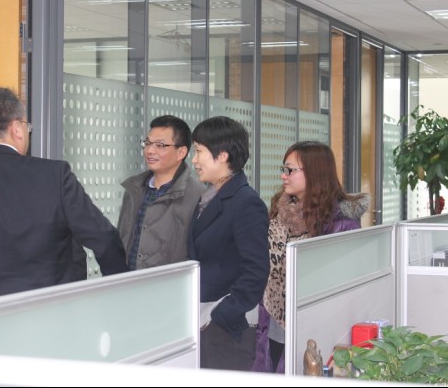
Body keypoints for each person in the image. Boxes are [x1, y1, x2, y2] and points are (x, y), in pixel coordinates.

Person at [0, 86, 128, 309]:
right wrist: (120, 297)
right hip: (49, 317)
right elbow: (104, 238)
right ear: (16, 128)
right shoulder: (55, 176)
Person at [252, 140, 370, 373]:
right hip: (273, 324)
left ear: (315, 173)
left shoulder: (342, 224)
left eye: (290, 170)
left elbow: (343, 289)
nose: (283, 176)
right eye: (283, 169)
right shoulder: (279, 211)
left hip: (314, 328)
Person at [187, 116, 269, 371]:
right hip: (205, 320)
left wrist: (223, 313)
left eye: (199, 151)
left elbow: (256, 269)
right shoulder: (210, 197)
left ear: (222, 155)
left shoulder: (245, 202)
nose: (194, 160)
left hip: (225, 327)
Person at [117, 115, 205, 270]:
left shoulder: (199, 196)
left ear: (181, 152)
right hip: (127, 282)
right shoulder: (134, 189)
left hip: (169, 283)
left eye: (160, 145)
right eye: (148, 143)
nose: (150, 150)